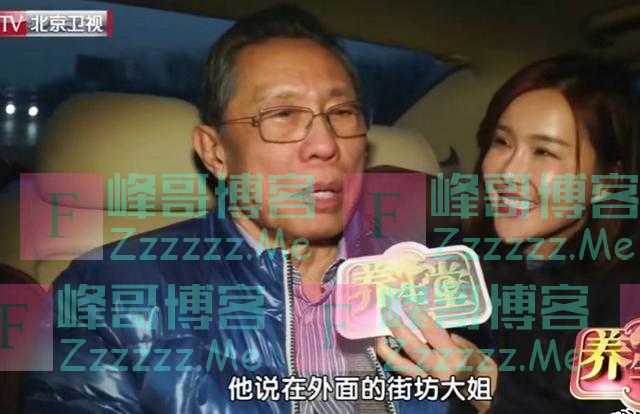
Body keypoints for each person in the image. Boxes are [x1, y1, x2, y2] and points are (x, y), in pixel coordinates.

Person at [22, 5, 451, 413]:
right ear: (215, 152)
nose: (325, 145)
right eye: (282, 114)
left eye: (341, 113)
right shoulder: (104, 297)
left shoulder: (431, 281)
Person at [452, 54, 640, 413]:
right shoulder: (475, 257)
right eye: (502, 142)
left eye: (544, 152)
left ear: (606, 182)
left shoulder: (627, 295)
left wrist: (489, 391)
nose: (508, 173)